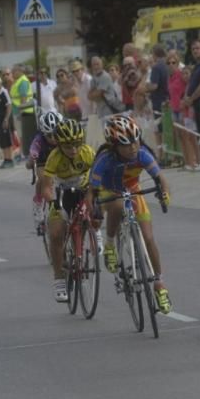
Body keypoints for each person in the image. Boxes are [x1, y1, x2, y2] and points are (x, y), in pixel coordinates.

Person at [88, 115, 172, 313]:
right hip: (109, 190)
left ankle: (159, 284)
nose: (132, 148)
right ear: (114, 146)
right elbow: (92, 190)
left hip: (133, 190)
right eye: (126, 145)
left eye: (135, 142)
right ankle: (110, 244)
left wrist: (165, 194)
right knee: (116, 206)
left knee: (149, 238)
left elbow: (160, 178)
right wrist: (93, 207)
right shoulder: (104, 159)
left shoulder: (142, 154)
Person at [42, 119, 96, 302]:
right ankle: (58, 279)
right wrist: (53, 205)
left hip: (84, 189)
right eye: (68, 146)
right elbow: (46, 188)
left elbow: (98, 177)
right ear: (59, 144)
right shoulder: (54, 157)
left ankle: (95, 234)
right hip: (61, 193)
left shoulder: (88, 153)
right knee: (56, 233)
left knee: (98, 205)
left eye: (76, 145)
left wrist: (92, 196)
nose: (73, 150)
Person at [0, 75, 15, 168]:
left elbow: (9, 105)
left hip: (4, 121)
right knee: (3, 141)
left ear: (0, 84)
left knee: (6, 141)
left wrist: (6, 119)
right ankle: (6, 159)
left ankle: (9, 160)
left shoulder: (4, 92)